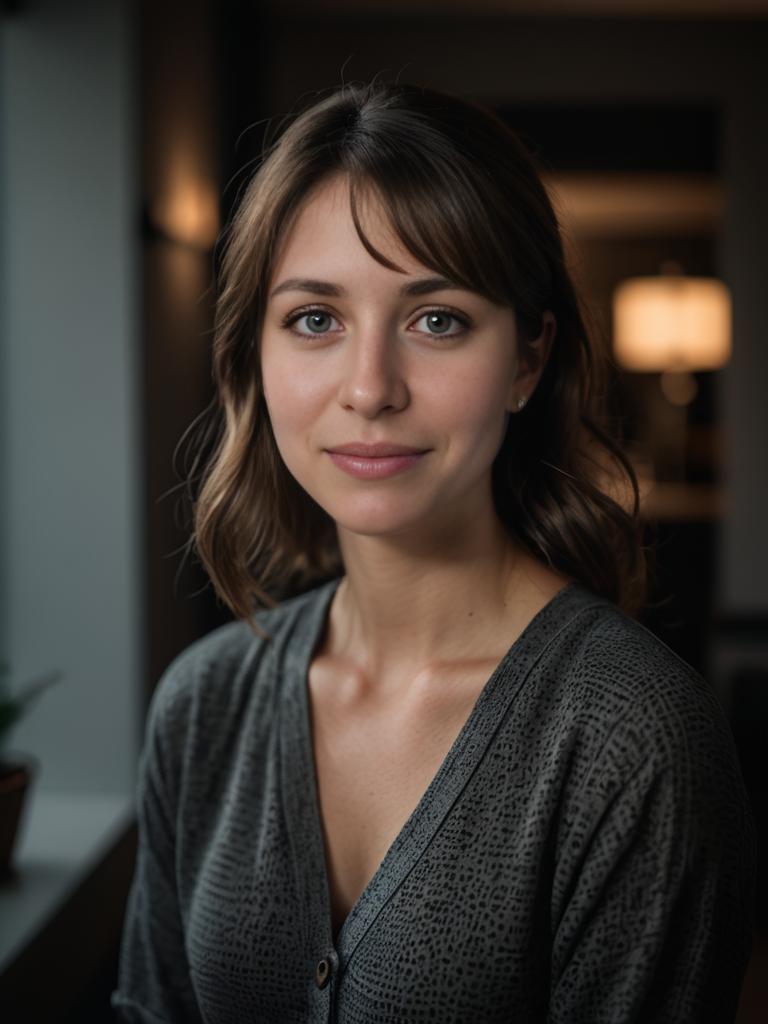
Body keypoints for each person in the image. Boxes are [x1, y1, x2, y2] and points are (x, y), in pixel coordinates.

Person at [111, 81, 756, 1023]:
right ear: (255, 351)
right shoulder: (204, 705)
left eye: (436, 319)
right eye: (315, 319)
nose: (370, 388)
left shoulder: (634, 740)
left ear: (527, 361)